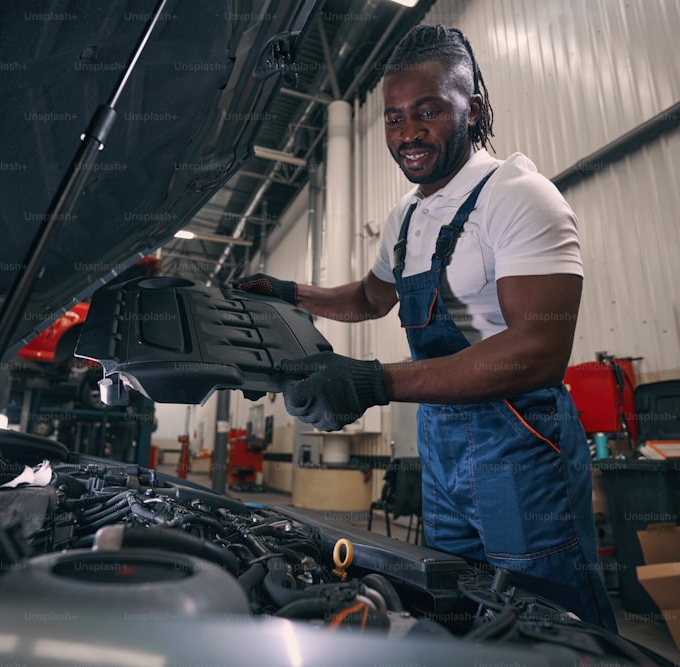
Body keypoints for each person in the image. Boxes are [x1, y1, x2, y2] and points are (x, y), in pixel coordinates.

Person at [235, 24, 616, 631]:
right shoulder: (407, 218)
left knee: (546, 618)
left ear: (475, 108)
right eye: (393, 118)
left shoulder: (518, 197)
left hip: (519, 447)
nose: (407, 133)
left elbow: (538, 351)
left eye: (427, 111)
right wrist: (291, 293)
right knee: (457, 603)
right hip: (440, 445)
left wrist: (374, 381)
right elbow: (369, 297)